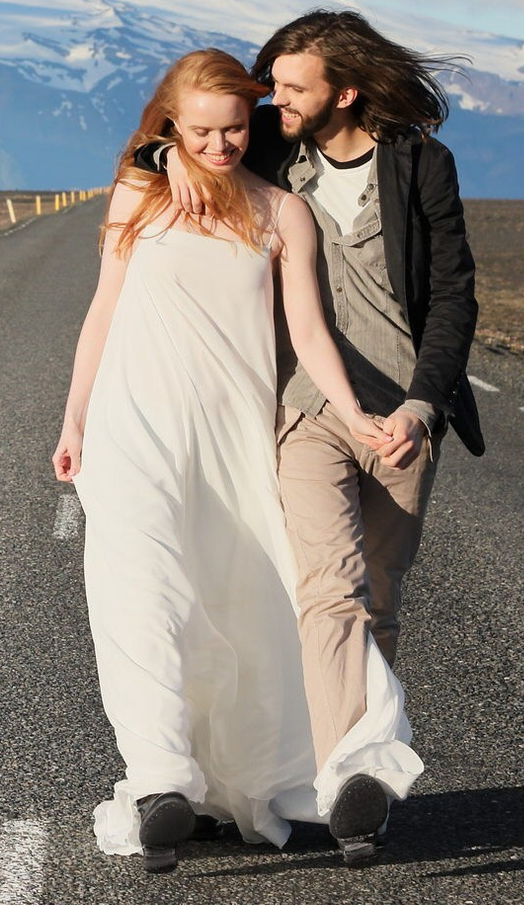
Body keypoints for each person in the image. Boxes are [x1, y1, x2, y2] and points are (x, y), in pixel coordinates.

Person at [55, 48, 423, 873]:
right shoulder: (140, 191)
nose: (219, 146)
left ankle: (315, 770)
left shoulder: (283, 213)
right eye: (199, 133)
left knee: (248, 600)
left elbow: (310, 331)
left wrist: (354, 413)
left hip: (234, 433)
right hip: (133, 426)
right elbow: (102, 309)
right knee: (141, 592)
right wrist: (75, 418)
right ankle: (158, 782)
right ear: (170, 126)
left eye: (233, 129)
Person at [142, 11, 481, 859]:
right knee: (328, 585)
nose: (274, 100)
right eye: (274, 85)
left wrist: (422, 406)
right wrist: (169, 158)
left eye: (292, 87)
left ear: (347, 91)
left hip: (402, 415)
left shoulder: (421, 165)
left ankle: (360, 772)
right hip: (304, 406)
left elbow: (453, 297)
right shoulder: (270, 144)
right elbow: (178, 136)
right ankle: (345, 781)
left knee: (379, 600)